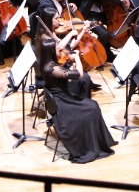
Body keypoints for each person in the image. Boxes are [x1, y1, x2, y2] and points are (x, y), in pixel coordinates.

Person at [36, 32, 116, 163]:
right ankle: (93, 145)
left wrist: (70, 65)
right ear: (51, 51)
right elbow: (78, 74)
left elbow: (66, 76)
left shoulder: (49, 63)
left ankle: (101, 142)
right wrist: (77, 58)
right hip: (62, 103)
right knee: (92, 107)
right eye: (58, 48)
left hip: (63, 96)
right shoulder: (52, 68)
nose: (61, 49)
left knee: (93, 105)